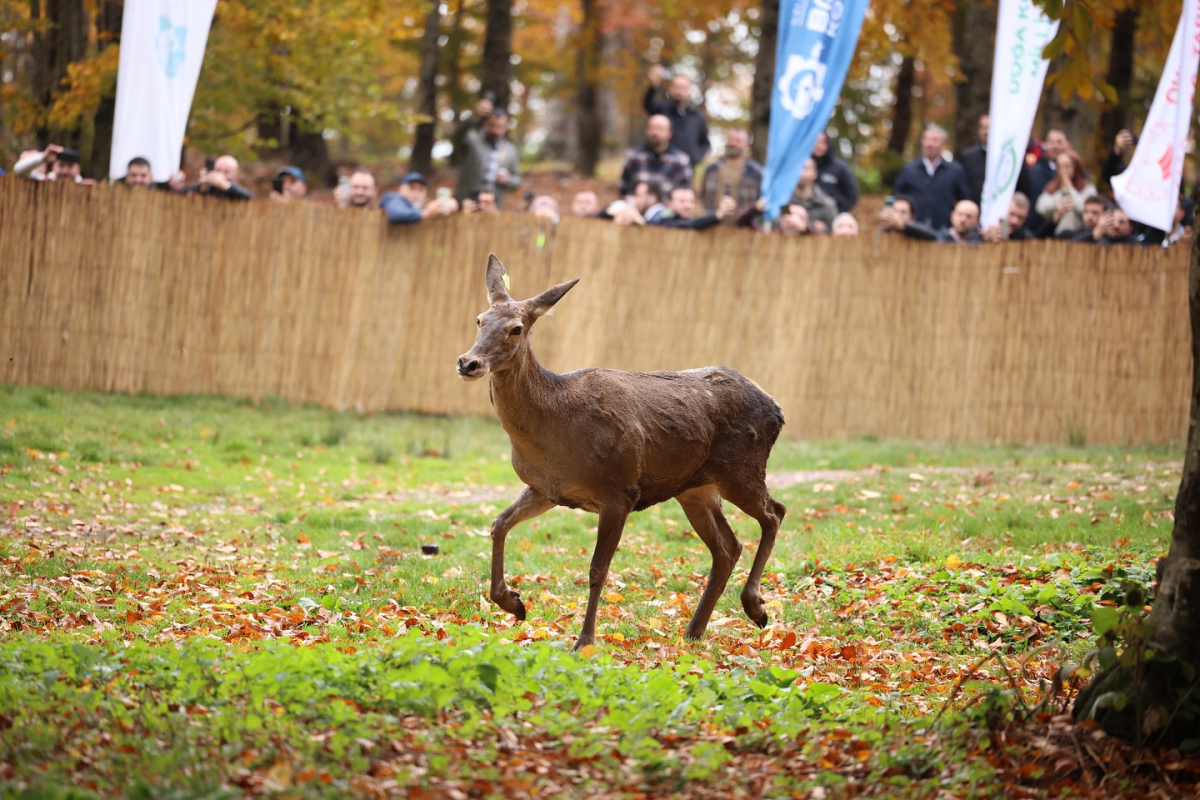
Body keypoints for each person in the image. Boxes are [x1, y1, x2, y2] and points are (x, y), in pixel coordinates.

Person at [892, 125, 972, 230]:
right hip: (913, 229)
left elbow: (965, 200)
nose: (929, 144)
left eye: (934, 140)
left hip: (944, 231)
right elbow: (897, 197)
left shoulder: (955, 171)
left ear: (943, 145)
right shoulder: (909, 169)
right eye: (926, 139)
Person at [643, 65, 710, 167]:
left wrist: (696, 157)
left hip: (687, 169)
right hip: (661, 166)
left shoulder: (697, 117)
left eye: (683, 88)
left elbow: (705, 143)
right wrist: (654, 85)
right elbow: (648, 105)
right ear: (670, 89)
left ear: (689, 91)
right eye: (676, 87)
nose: (679, 91)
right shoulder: (662, 110)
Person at [454, 110, 521, 209]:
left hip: (493, 201)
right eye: (492, 126)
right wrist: (474, 116)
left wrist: (507, 180)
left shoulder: (511, 150)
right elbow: (457, 136)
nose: (495, 130)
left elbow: (517, 180)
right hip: (467, 198)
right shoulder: (473, 139)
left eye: (500, 127)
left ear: (506, 127)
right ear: (486, 124)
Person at [619, 114, 692, 197]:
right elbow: (624, 188)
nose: (655, 133)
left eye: (660, 129)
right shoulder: (633, 156)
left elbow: (685, 192)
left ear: (670, 133)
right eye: (652, 128)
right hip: (637, 207)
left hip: (669, 208)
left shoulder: (681, 160)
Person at [699, 127, 762, 221]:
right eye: (731, 139)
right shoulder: (711, 169)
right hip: (712, 227)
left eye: (738, 141)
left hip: (743, 229)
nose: (733, 144)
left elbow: (761, 204)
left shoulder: (756, 172)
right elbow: (701, 197)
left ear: (747, 145)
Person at [1034, 151, 1096, 236]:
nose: (1063, 171)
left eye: (1067, 167)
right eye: (1060, 167)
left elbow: (1084, 208)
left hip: (1079, 236)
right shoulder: (1052, 187)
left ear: (1075, 168)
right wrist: (1059, 202)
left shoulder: (1087, 188)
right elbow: (1041, 208)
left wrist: (1070, 189)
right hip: (1055, 236)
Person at [380, 172, 459, 224]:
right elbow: (396, 214)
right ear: (400, 189)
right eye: (412, 188)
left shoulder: (423, 205)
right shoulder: (391, 198)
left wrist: (447, 207)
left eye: (421, 189)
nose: (416, 193)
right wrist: (426, 213)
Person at [789, 158, 838, 234]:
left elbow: (833, 233)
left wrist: (807, 227)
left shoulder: (826, 205)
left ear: (815, 174)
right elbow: (771, 227)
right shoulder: (782, 203)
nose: (799, 172)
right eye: (796, 168)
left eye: (804, 168)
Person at [812, 131, 858, 212]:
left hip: (834, 214)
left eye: (823, 143)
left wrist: (836, 214)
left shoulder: (840, 167)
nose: (818, 146)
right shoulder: (803, 166)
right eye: (816, 142)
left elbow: (852, 196)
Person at [651, 186, 734, 230]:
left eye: (691, 201)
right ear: (670, 204)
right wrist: (717, 215)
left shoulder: (693, 220)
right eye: (682, 201)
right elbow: (690, 224)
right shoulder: (663, 220)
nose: (687, 206)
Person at [450, 90, 495, 168]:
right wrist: (475, 116)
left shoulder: (493, 124)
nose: (486, 107)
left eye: (489, 104)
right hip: (465, 166)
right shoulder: (470, 122)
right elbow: (457, 136)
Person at [183, 155, 252, 200]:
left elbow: (250, 199)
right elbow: (180, 195)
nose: (221, 175)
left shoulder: (237, 190)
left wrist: (227, 187)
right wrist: (201, 188)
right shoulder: (209, 188)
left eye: (226, 172)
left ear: (235, 175)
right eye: (218, 170)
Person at [957, 115, 988, 205]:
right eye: (983, 128)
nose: (986, 132)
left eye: (989, 127)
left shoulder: (1008, 156)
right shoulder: (968, 156)